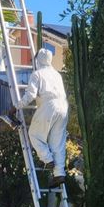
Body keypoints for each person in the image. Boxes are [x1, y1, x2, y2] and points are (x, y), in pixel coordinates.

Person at [10, 48, 68, 188]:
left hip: (49, 106)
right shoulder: (57, 75)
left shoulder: (37, 74)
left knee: (34, 134)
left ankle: (48, 160)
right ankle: (59, 173)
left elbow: (30, 96)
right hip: (64, 107)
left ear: (38, 60)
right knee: (57, 141)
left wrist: (16, 107)